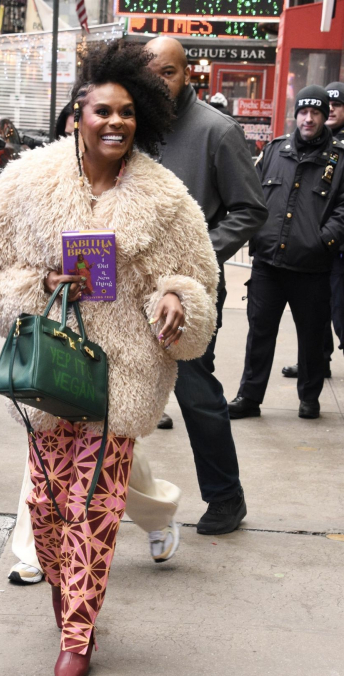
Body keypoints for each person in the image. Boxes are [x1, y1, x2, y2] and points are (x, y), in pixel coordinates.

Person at [0, 41, 218, 676]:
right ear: (79, 113)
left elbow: (198, 282)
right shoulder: (27, 181)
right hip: (50, 375)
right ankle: (65, 596)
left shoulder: (167, 200)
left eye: (128, 113)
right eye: (103, 110)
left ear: (143, 120)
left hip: (122, 383)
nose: (115, 123)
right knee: (48, 513)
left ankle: (79, 630)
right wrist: (40, 285)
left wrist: (175, 302)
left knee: (96, 512)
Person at [145, 36, 267, 534]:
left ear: (187, 73)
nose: (159, 82)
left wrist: (200, 255)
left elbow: (251, 209)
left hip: (192, 287)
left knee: (195, 391)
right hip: (135, 286)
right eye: (151, 73)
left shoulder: (218, 131)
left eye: (168, 73)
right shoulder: (134, 124)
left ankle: (225, 498)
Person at [228, 85, 344, 421]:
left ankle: (310, 398)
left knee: (310, 339)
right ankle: (249, 397)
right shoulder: (277, 150)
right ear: (296, 114)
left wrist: (323, 240)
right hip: (268, 264)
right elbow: (253, 195)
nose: (309, 119)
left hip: (312, 268)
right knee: (259, 333)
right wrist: (257, 235)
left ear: (324, 117)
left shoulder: (339, 158)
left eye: (316, 113)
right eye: (304, 112)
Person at [282, 81, 344, 381]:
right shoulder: (304, 142)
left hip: (333, 246)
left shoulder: (338, 150)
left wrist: (326, 238)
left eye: (336, 105)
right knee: (317, 316)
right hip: (319, 250)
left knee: (338, 314)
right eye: (324, 105)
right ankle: (318, 362)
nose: (328, 111)